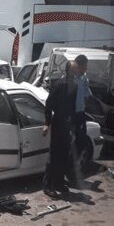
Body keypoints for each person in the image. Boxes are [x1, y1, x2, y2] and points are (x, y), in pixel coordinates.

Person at [42, 61, 77, 199]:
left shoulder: (75, 86)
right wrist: (47, 123)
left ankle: (59, 182)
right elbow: (48, 104)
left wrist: (73, 126)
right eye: (72, 71)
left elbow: (73, 107)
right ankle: (48, 185)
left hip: (67, 123)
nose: (74, 73)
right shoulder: (59, 85)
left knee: (64, 155)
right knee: (55, 155)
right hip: (58, 122)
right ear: (68, 71)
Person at [71, 54, 92, 164]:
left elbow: (87, 95)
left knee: (81, 140)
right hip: (70, 115)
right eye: (85, 66)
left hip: (80, 114)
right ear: (78, 66)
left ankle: (75, 165)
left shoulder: (84, 79)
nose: (86, 68)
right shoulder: (69, 79)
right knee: (69, 141)